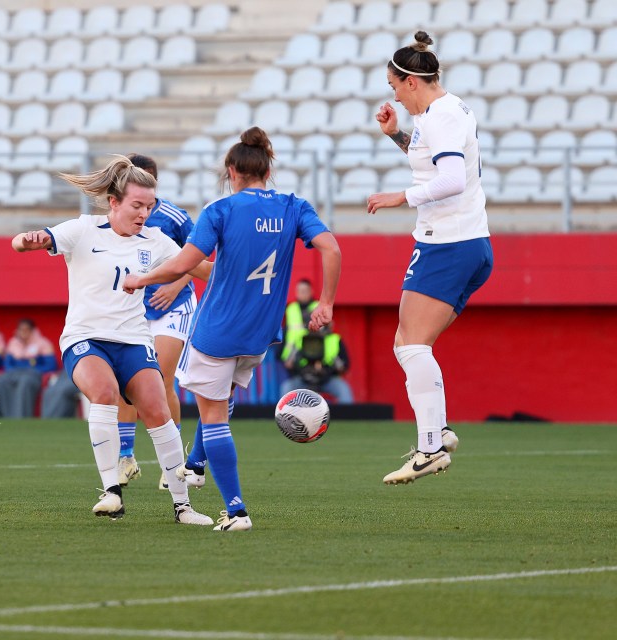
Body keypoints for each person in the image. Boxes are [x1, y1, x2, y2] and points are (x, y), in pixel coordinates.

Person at [123, 127, 342, 531]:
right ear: (267, 167)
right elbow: (331, 248)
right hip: (261, 331)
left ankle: (236, 510)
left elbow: (183, 263)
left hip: (220, 327)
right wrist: (325, 302)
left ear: (231, 170)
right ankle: (197, 464)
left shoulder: (220, 211)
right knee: (220, 400)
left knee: (213, 416)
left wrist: (142, 279)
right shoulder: (294, 205)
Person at [12, 155, 214, 526]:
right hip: (86, 339)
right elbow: (20, 243)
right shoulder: (84, 229)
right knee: (104, 392)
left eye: (149, 206)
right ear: (114, 202)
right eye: (137, 205)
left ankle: (182, 507)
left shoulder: (156, 239)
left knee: (157, 409)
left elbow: (202, 269)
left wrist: (244, 274)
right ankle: (112, 493)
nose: (144, 213)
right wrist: (30, 240)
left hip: (134, 341)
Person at [366, 32, 493, 485]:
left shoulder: (439, 117)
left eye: (394, 86)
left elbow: (452, 179)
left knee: (411, 345)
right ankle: (435, 431)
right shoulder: (446, 110)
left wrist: (400, 196)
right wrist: (396, 134)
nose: (393, 94)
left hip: (449, 243)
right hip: (465, 242)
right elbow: (435, 166)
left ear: (412, 82)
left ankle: (430, 447)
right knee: (410, 343)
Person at [114, 153, 197, 492]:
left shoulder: (173, 216)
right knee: (126, 383)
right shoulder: (118, 218)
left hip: (174, 305)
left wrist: (174, 284)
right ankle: (126, 456)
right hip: (138, 311)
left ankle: (172, 462)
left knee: (161, 381)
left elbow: (198, 254)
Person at [0, 318, 56, 418]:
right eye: (21, 330)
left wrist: (31, 369)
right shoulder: (13, 343)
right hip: (14, 373)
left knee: (24, 383)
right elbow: (7, 364)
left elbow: (51, 365)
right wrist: (18, 369)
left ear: (32, 331)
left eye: (26, 330)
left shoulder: (43, 343)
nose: (23, 333)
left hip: (32, 374)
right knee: (1, 382)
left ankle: (21, 417)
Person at [280, 326, 354, 404]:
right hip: (304, 379)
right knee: (287, 387)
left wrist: (335, 365)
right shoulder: (300, 339)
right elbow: (288, 364)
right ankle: (287, 414)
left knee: (343, 389)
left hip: (327, 379)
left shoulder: (334, 339)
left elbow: (344, 367)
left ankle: (345, 415)